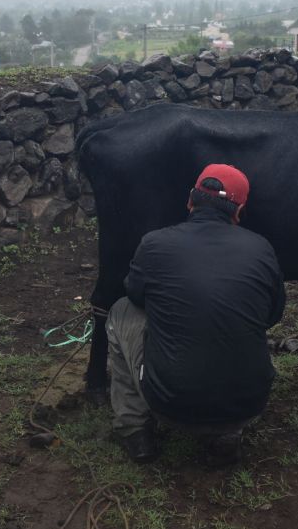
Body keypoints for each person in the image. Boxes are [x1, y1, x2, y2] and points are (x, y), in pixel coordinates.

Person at [105, 163, 286, 465]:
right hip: (249, 403)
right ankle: (227, 435)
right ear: (238, 211)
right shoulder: (261, 248)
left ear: (190, 201)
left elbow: (135, 295)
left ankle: (135, 431)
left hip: (170, 403)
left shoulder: (155, 243)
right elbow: (273, 314)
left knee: (121, 311)